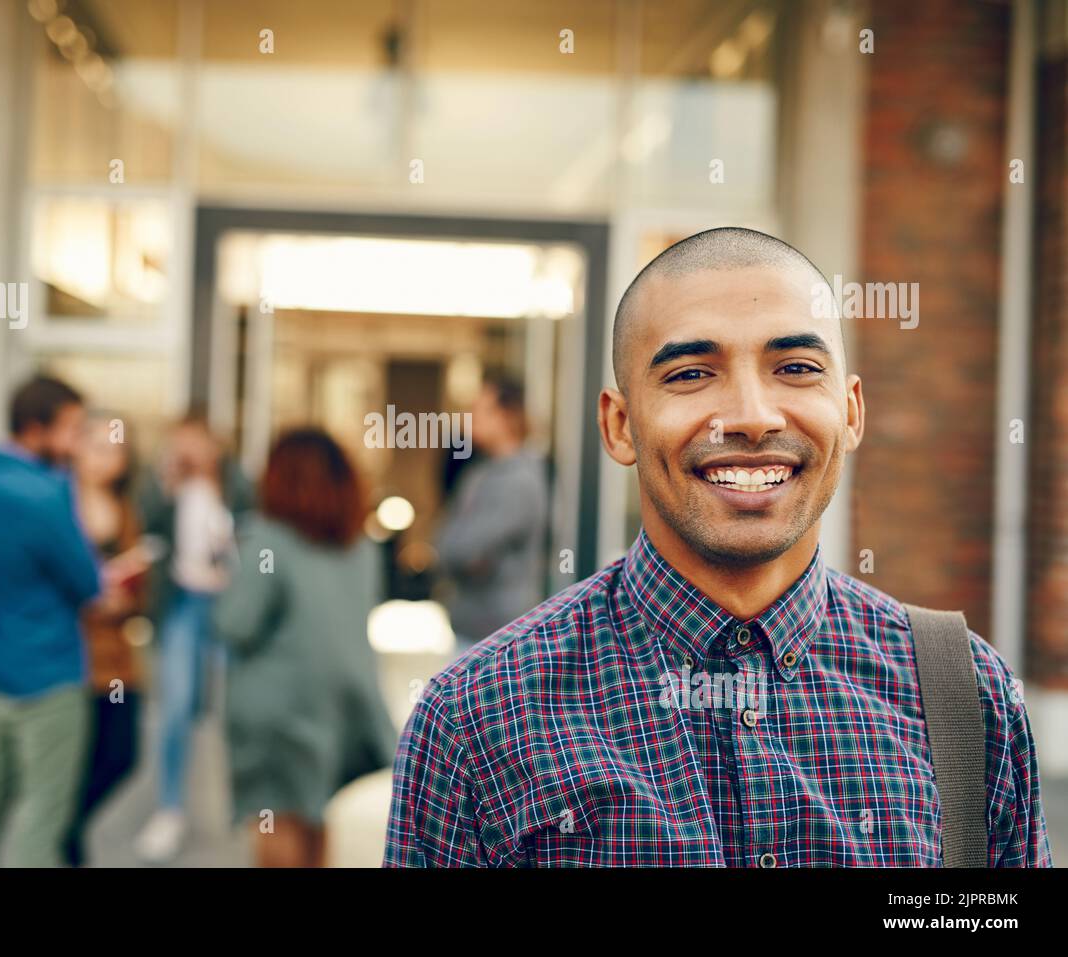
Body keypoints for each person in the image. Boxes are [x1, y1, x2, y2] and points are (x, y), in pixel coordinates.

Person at [384, 227, 1053, 867]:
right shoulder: (476, 719)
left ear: (850, 412)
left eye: (795, 367)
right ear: (619, 425)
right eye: (690, 374)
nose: (753, 415)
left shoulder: (967, 697)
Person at [0, 376, 143, 867]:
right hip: (50, 675)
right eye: (73, 429)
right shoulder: (48, 493)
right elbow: (86, 583)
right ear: (37, 429)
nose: (78, 442)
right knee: (45, 819)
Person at [216, 428, 397, 867]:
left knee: (277, 825)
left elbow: (236, 625)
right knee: (319, 824)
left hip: (275, 715)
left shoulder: (271, 540)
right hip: (341, 710)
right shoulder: (362, 547)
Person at [134, 412, 237, 863]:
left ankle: (239, 809)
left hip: (228, 609)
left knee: (232, 708)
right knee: (176, 706)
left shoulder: (236, 486)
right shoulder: (165, 488)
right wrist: (167, 481)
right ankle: (170, 810)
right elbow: (144, 525)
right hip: (182, 606)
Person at [63, 412, 146, 867]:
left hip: (117, 660)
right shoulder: (61, 508)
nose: (108, 457)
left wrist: (127, 596)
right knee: (74, 765)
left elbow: (140, 591)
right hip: (75, 660)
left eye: (117, 448)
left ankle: (67, 826)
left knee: (122, 754)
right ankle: (66, 842)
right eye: (99, 446)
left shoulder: (125, 510)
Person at [435, 376, 548, 652]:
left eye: (478, 411)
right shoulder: (480, 472)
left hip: (498, 637)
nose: (468, 419)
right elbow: (445, 542)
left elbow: (461, 550)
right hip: (473, 631)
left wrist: (458, 551)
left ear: (506, 416)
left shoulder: (519, 480)